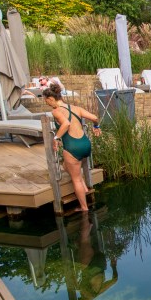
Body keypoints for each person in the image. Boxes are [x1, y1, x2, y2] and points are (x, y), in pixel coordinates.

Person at [43, 84, 101, 213]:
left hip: (73, 147)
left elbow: (66, 123)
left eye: (46, 101)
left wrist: (56, 138)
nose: (47, 104)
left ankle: (84, 207)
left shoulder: (56, 111)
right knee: (65, 166)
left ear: (51, 99)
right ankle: (84, 188)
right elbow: (95, 118)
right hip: (85, 145)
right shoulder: (76, 108)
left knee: (75, 179)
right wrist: (96, 127)